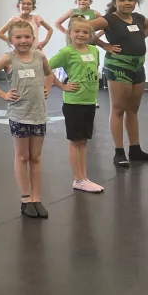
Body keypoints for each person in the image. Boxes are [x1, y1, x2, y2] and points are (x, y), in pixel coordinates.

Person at [0, 21, 56, 218]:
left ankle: (37, 197)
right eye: (18, 37)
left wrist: (47, 87)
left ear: (33, 38)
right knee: (22, 157)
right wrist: (4, 95)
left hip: (38, 114)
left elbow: (49, 74)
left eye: (27, 37)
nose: (23, 41)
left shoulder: (39, 56)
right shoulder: (8, 59)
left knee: (36, 157)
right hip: (19, 115)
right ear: (11, 40)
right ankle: (25, 198)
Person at [90, 0, 148, 168]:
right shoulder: (109, 19)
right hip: (118, 66)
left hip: (138, 66)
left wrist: (140, 37)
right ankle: (119, 152)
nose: (127, 3)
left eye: (130, 0)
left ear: (136, 2)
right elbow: (84, 29)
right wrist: (104, 45)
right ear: (114, 2)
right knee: (118, 108)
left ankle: (135, 149)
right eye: (122, 0)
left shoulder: (138, 18)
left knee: (133, 109)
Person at [49, 19, 105, 192]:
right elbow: (45, 68)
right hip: (74, 102)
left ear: (90, 35)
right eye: (77, 32)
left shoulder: (94, 50)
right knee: (75, 141)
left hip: (89, 101)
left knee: (83, 140)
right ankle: (78, 179)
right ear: (69, 33)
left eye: (85, 32)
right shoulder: (66, 52)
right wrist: (62, 85)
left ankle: (83, 177)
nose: (81, 35)